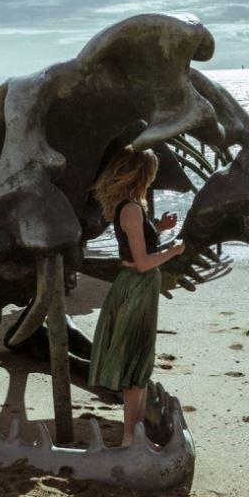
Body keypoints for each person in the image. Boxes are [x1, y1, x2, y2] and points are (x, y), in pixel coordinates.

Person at [88, 146, 185, 449]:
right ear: (143, 175)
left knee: (141, 362)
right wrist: (174, 250)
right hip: (136, 287)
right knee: (135, 365)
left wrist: (160, 228)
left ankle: (137, 433)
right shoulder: (130, 209)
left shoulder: (133, 207)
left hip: (141, 288)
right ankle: (131, 437)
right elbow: (142, 262)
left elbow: (137, 244)